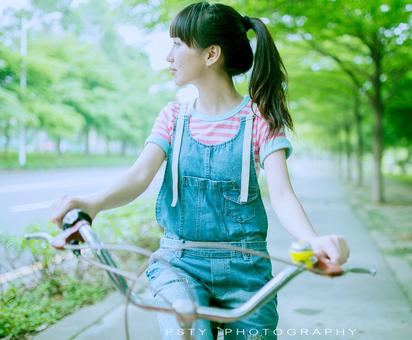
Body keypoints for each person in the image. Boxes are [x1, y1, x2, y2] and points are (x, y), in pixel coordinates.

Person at [50, 2, 350, 339]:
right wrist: (92, 204)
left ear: (211, 55)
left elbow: (282, 194)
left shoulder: (260, 121)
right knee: (186, 330)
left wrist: (312, 240)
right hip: (178, 264)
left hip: (246, 270)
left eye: (178, 44)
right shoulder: (172, 117)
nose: (168, 56)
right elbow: (138, 177)